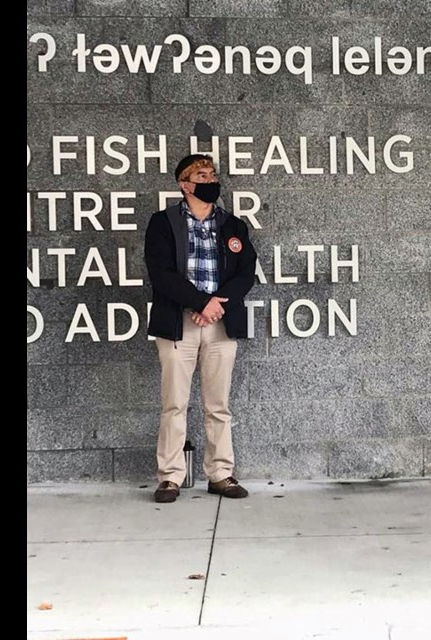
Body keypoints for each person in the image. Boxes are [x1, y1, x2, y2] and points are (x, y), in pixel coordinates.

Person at [144, 154, 257, 503]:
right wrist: (199, 302)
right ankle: (170, 477)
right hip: (179, 323)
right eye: (201, 174)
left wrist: (216, 303)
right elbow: (161, 273)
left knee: (218, 404)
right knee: (174, 405)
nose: (210, 179)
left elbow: (246, 271)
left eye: (212, 174)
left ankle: (221, 474)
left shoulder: (233, 225)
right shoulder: (163, 223)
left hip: (220, 322)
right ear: (184, 184)